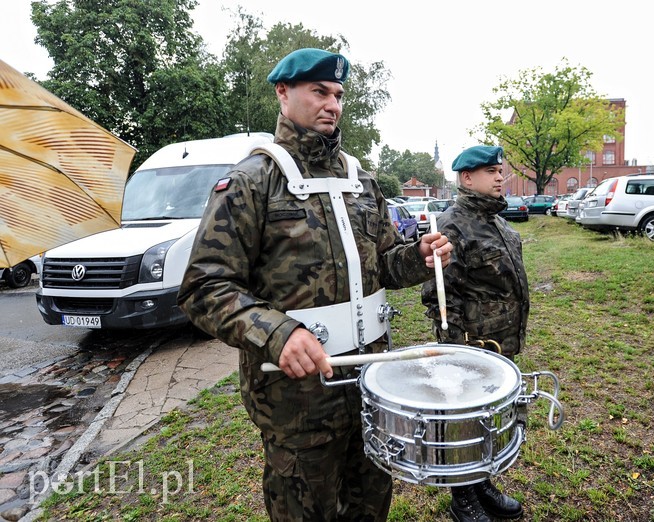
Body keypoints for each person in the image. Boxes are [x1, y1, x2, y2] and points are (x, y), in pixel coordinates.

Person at [177, 47, 452, 521]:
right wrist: (278, 333)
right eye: (319, 92)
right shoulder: (252, 181)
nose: (333, 105)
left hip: (372, 386)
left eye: (339, 95)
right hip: (297, 402)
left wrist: (418, 257)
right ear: (283, 93)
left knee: (371, 505)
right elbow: (204, 287)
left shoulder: (360, 180)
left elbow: (382, 264)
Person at [421, 145, 529, 522]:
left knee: (489, 421)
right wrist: (457, 349)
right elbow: (437, 295)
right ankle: (462, 498)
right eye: (490, 171)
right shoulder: (452, 224)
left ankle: (482, 483)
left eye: (501, 170)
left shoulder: (497, 221)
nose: (500, 177)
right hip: (470, 347)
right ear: (467, 178)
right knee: (463, 424)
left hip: (501, 345)